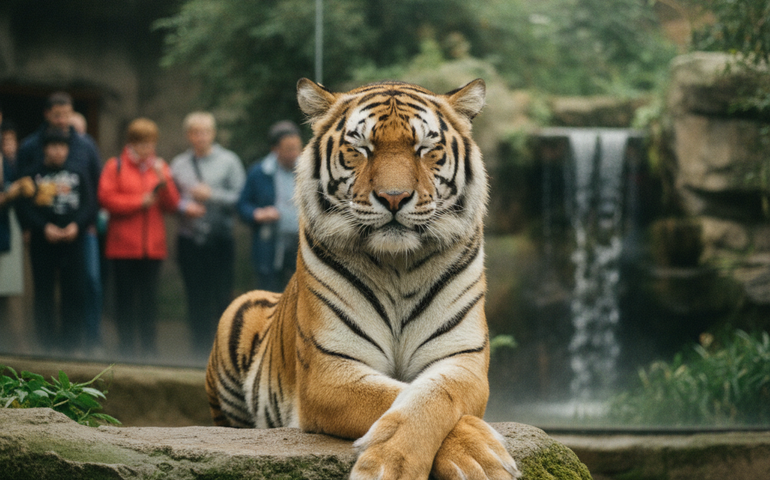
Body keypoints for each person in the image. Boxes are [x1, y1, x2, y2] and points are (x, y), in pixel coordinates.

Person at [15, 92, 104, 352]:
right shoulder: (31, 156)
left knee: (77, 287)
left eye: (67, 114)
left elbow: (91, 199)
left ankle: (73, 343)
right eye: (57, 114)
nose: (62, 119)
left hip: (76, 235)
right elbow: (23, 199)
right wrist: (39, 228)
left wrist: (79, 224)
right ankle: (46, 344)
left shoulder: (83, 153)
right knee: (43, 291)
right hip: (44, 236)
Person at [98, 118, 180, 359]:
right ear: (131, 143)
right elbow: (106, 198)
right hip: (122, 247)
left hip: (152, 248)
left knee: (148, 301)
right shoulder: (115, 167)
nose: (147, 150)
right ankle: (124, 348)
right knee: (124, 300)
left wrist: (164, 184)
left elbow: (172, 205)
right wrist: (138, 202)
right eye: (142, 144)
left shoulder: (160, 167)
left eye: (151, 144)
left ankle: (148, 349)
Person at [170, 112, 245, 360]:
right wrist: (184, 207)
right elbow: (170, 199)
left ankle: (223, 353)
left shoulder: (229, 161)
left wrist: (210, 194)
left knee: (222, 294)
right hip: (190, 241)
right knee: (195, 296)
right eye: (195, 132)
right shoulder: (178, 164)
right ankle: (198, 352)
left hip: (220, 240)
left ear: (213, 134)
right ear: (188, 135)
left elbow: (240, 198)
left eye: (205, 131)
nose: (201, 136)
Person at [237, 120, 302, 293]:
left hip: (302, 243)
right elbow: (242, 205)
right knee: (270, 293)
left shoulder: (309, 171)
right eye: (289, 149)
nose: (295, 153)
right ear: (275, 150)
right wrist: (257, 214)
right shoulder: (259, 172)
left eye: (297, 147)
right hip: (271, 243)